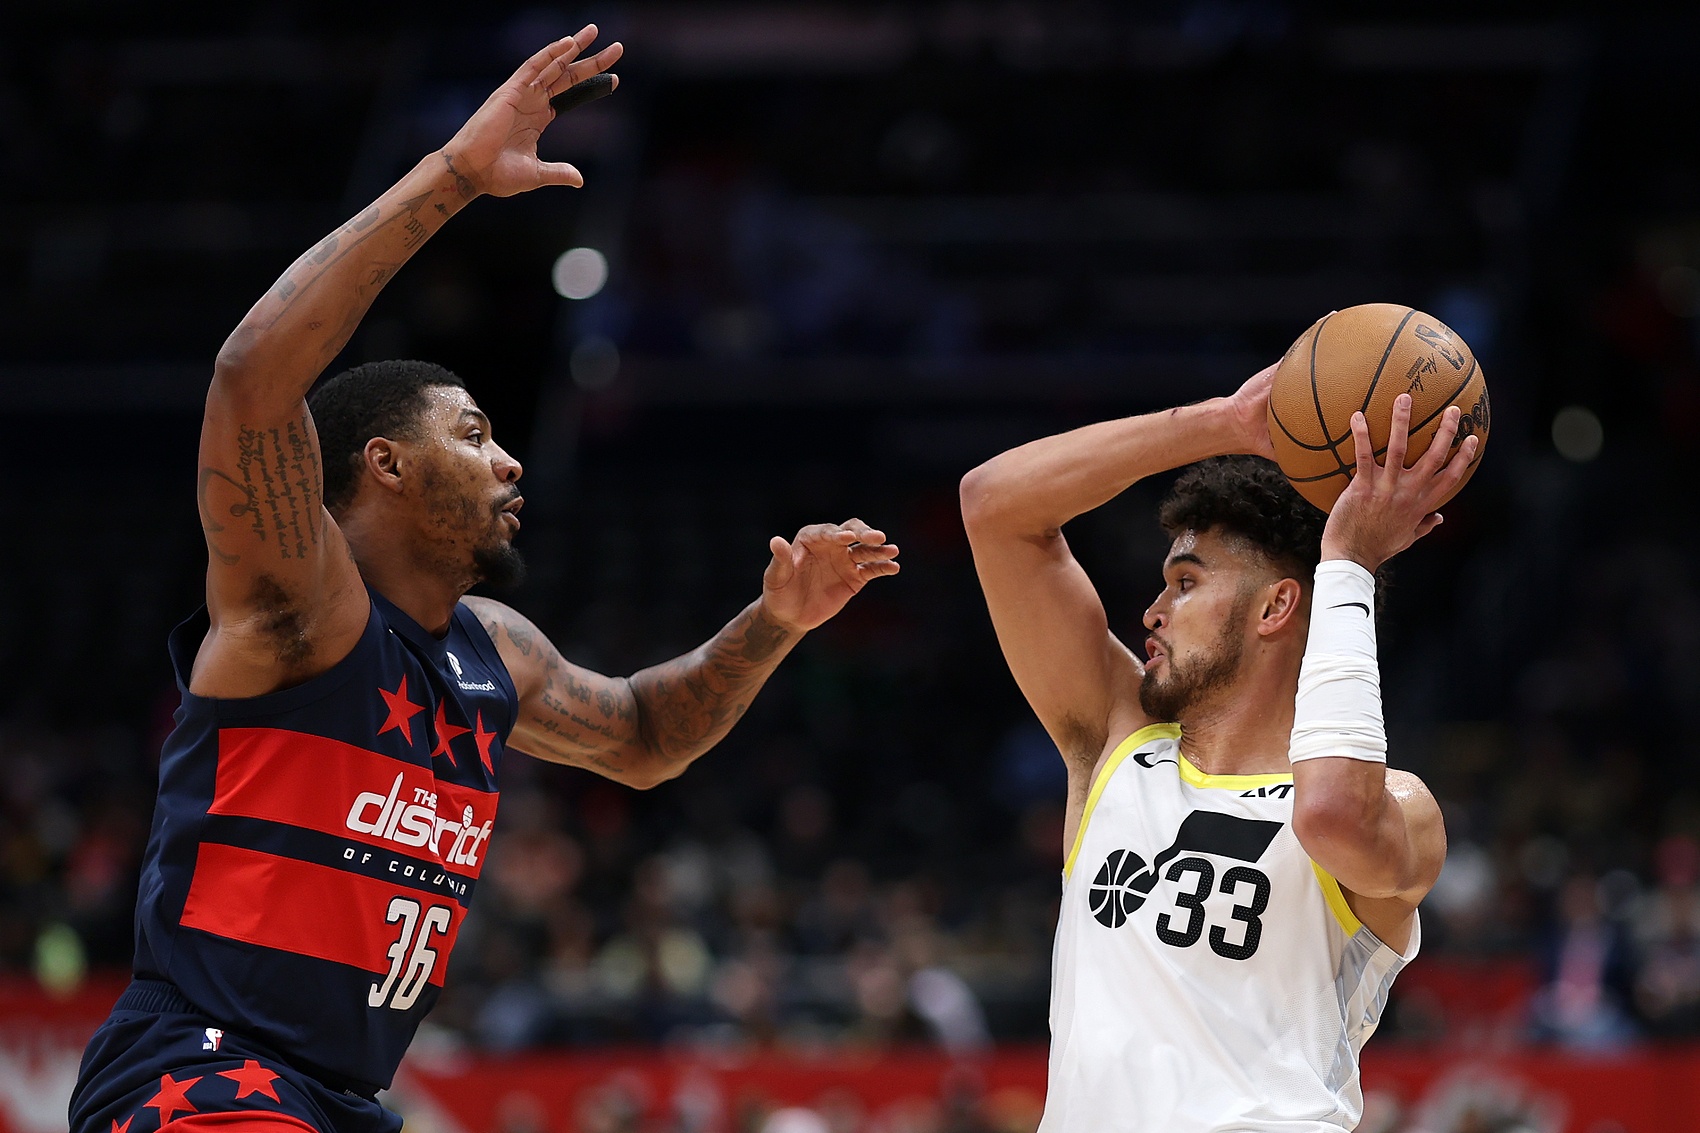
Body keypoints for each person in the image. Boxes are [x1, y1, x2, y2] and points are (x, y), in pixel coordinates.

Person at [69, 28, 899, 1133]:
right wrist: (454, 175)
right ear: (384, 463)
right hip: (208, 1067)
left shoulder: (493, 648)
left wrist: (776, 618)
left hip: (340, 1094)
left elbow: (647, 735)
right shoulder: (300, 606)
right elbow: (252, 377)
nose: (508, 461)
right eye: (472, 434)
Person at [960, 368, 1479, 1131]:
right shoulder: (1117, 740)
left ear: (1276, 605)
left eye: (1185, 582)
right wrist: (1222, 422)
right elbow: (992, 506)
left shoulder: (1401, 806)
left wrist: (1347, 564)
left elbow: (1331, 813)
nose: (1152, 610)